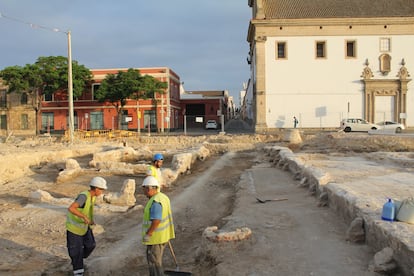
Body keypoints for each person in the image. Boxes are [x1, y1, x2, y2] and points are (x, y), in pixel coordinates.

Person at [66, 176, 108, 276]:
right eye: (101, 189)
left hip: (84, 227)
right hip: (74, 229)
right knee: (76, 252)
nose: (102, 192)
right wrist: (84, 217)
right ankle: (78, 271)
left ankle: (78, 259)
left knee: (91, 245)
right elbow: (71, 208)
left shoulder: (92, 197)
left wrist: (91, 221)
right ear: (96, 189)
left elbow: (87, 210)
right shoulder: (83, 197)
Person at [141, 176, 175, 276]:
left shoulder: (155, 202)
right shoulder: (163, 197)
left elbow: (156, 220)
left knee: (154, 262)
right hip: (162, 236)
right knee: (156, 260)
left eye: (144, 189)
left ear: (149, 188)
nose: (143, 192)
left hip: (156, 238)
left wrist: (148, 234)